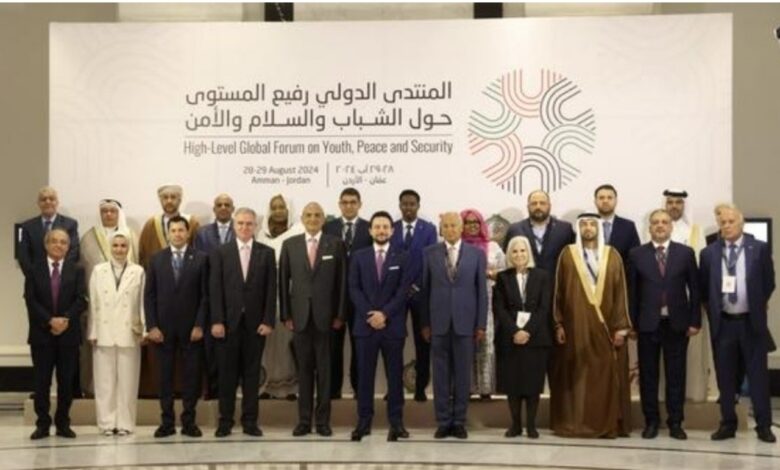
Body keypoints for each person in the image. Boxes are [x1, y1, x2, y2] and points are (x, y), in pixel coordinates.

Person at [550, 213, 632, 438]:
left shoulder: (612, 255)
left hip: (606, 329)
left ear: (599, 228)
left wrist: (621, 328)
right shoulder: (567, 254)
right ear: (578, 229)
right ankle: (576, 423)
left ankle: (605, 423)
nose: (588, 228)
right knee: (577, 376)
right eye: (584, 224)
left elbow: (621, 293)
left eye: (592, 224)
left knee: (603, 376)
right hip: (575, 327)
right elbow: (558, 293)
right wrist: (558, 324)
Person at [700, 205, 776, 443]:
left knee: (758, 376)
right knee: (725, 377)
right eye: (722, 222)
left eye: (731, 221)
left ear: (741, 224)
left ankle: (763, 426)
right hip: (724, 324)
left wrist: (756, 303)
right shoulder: (708, 253)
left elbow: (769, 283)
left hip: (750, 323)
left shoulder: (758, 249)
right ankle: (728, 423)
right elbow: (704, 289)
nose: (727, 226)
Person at [628, 209, 700, 440]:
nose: (660, 225)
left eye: (664, 222)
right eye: (656, 222)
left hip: (677, 324)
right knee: (648, 377)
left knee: (676, 376)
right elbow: (632, 292)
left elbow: (695, 290)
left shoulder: (685, 253)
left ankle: (675, 422)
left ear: (671, 227)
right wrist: (631, 323)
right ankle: (651, 421)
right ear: (649, 227)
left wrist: (695, 321)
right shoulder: (636, 254)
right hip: (647, 324)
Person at [280, 202, 347, 437]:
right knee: (304, 372)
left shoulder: (335, 244)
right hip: (299, 319)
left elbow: (342, 282)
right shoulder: (290, 245)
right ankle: (304, 421)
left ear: (323, 219)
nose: (313, 219)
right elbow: (283, 282)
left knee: (325, 373)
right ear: (302, 218)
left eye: (317, 215)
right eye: (308, 215)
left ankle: (323, 422)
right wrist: (286, 314)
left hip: (327, 319)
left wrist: (340, 314)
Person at [421, 212, 487, 440]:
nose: (449, 229)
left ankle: (459, 422)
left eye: (453, 225)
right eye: (445, 226)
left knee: (462, 375)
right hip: (438, 323)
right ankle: (442, 421)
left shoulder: (476, 255)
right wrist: (425, 323)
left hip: (466, 324)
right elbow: (424, 291)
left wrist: (480, 324)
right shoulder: (429, 253)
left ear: (461, 228)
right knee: (440, 375)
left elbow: (481, 292)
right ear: (441, 229)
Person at [210, 208, 276, 437]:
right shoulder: (221, 252)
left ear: (255, 226)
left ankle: (250, 422)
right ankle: (225, 421)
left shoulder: (266, 253)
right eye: (240, 223)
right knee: (226, 376)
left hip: (255, 326)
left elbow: (271, 290)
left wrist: (268, 320)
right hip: (227, 325)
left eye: (249, 223)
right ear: (234, 225)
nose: (245, 227)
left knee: (252, 376)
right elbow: (215, 289)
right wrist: (217, 320)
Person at [348, 211, 411, 442]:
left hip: (392, 327)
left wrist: (384, 314)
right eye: (377, 227)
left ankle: (397, 423)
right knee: (364, 377)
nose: (381, 230)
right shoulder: (358, 256)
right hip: (365, 327)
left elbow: (403, 290)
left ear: (392, 231)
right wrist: (371, 315)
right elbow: (354, 288)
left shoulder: (402, 256)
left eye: (385, 227)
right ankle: (364, 422)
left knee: (395, 378)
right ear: (370, 230)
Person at [144, 216, 208, 438]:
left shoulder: (201, 258)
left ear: (188, 233)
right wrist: (152, 326)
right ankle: (167, 422)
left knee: (192, 377)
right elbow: (149, 296)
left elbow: (205, 296)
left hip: (192, 330)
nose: (178, 234)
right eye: (174, 230)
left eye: (181, 230)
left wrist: (200, 324)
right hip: (162, 330)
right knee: (164, 378)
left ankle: (189, 422)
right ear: (168, 233)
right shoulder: (156, 259)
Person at [138, 184, 200, 397]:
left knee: (189, 368)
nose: (169, 201)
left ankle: (188, 409)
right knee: (163, 368)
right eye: (165, 197)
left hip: (189, 315)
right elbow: (143, 263)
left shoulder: (193, 223)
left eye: (174, 197)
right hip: (162, 314)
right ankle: (165, 411)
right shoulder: (150, 225)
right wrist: (151, 323)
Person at [24, 228, 86, 440]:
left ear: (68, 247)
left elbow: (81, 299)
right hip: (42, 335)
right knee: (41, 383)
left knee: (66, 382)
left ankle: (63, 423)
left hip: (68, 335)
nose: (59, 245)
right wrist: (50, 320)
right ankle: (42, 424)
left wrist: (65, 319)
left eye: (63, 242)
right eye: (54, 241)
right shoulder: (34, 269)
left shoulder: (77, 269)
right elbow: (30, 300)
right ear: (46, 244)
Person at [493, 236, 552, 439]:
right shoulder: (503, 278)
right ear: (509, 254)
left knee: (532, 384)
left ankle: (532, 426)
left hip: (536, 338)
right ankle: (516, 425)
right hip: (510, 338)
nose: (519, 255)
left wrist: (527, 331)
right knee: (513, 384)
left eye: (523, 250)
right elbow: (499, 308)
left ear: (529, 253)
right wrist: (515, 331)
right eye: (515, 251)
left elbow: (544, 308)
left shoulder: (542, 276)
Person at [88, 231, 145, 436]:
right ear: (110, 247)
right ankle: (106, 423)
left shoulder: (138, 271)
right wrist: (92, 330)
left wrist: (144, 329)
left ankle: (125, 424)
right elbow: (93, 302)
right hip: (104, 331)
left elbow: (142, 302)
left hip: (129, 332)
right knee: (104, 382)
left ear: (128, 248)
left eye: (123, 246)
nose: (119, 249)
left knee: (128, 382)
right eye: (115, 245)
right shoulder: (99, 270)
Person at [79, 198, 137, 398]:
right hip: (99, 307)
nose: (109, 214)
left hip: (126, 308)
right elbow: (82, 270)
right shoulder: (88, 237)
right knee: (98, 355)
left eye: (113, 211)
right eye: (104, 211)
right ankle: (92, 390)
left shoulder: (131, 236)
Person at [663, 188, 713, 403]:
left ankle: (684, 402)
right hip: (657, 308)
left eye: (678, 202)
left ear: (684, 205)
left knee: (682, 361)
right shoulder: (655, 228)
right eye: (670, 202)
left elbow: (698, 271)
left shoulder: (694, 230)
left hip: (684, 306)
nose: (674, 206)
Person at [388, 189, 437, 401]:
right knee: (394, 343)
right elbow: (388, 260)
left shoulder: (429, 229)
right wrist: (400, 288)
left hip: (420, 293)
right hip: (395, 294)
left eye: (412, 204)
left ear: (418, 206)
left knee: (422, 342)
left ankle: (420, 388)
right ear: (400, 206)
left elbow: (431, 261)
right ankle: (393, 389)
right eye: (404, 204)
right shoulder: (391, 228)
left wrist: (416, 286)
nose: (408, 207)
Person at [323, 187, 372, 399]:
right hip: (334, 296)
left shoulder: (370, 228)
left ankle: (358, 388)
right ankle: (333, 390)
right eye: (345, 202)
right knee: (333, 346)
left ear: (360, 204)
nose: (349, 206)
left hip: (361, 296)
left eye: (353, 202)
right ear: (339, 204)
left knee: (359, 345)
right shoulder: (328, 227)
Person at [258, 194, 303, 400]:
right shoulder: (261, 233)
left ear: (288, 210)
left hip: (290, 294)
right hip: (266, 294)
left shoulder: (298, 231)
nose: (277, 211)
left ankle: (289, 388)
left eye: (281, 207)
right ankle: (267, 386)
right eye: (274, 207)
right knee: (268, 343)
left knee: (287, 341)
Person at [193, 193, 236, 400]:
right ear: (214, 209)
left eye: (227, 204)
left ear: (233, 208)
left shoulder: (242, 229)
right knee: (210, 347)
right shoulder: (202, 233)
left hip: (234, 295)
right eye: (219, 204)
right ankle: (212, 388)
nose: (223, 207)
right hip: (210, 295)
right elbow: (198, 263)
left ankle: (230, 390)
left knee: (232, 347)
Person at [461, 209, 506, 400]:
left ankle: (486, 388)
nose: (472, 226)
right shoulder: (457, 246)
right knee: (465, 343)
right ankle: (468, 387)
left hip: (488, 298)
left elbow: (505, 273)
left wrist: (489, 273)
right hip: (463, 301)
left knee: (485, 342)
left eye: (476, 222)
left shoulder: (492, 246)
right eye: (468, 222)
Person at [502, 190, 574, 275]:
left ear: (549, 206)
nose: (538, 207)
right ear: (528, 207)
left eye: (542, 203)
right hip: (525, 282)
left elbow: (572, 259)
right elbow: (508, 257)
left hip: (556, 282)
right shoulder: (515, 229)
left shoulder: (565, 229)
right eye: (534, 203)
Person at [17, 186, 80, 278]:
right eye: (43, 199)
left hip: (63, 278)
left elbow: (74, 251)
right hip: (35, 279)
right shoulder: (27, 227)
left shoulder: (70, 224)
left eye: (51, 199)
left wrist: (61, 273)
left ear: (57, 202)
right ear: (38, 203)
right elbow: (23, 256)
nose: (48, 202)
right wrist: (34, 276)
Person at [593, 184, 640, 268]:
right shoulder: (586, 226)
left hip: (621, 274)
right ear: (595, 201)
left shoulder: (628, 227)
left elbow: (635, 258)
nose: (605, 201)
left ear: (616, 201)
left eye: (609, 198)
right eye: (601, 198)